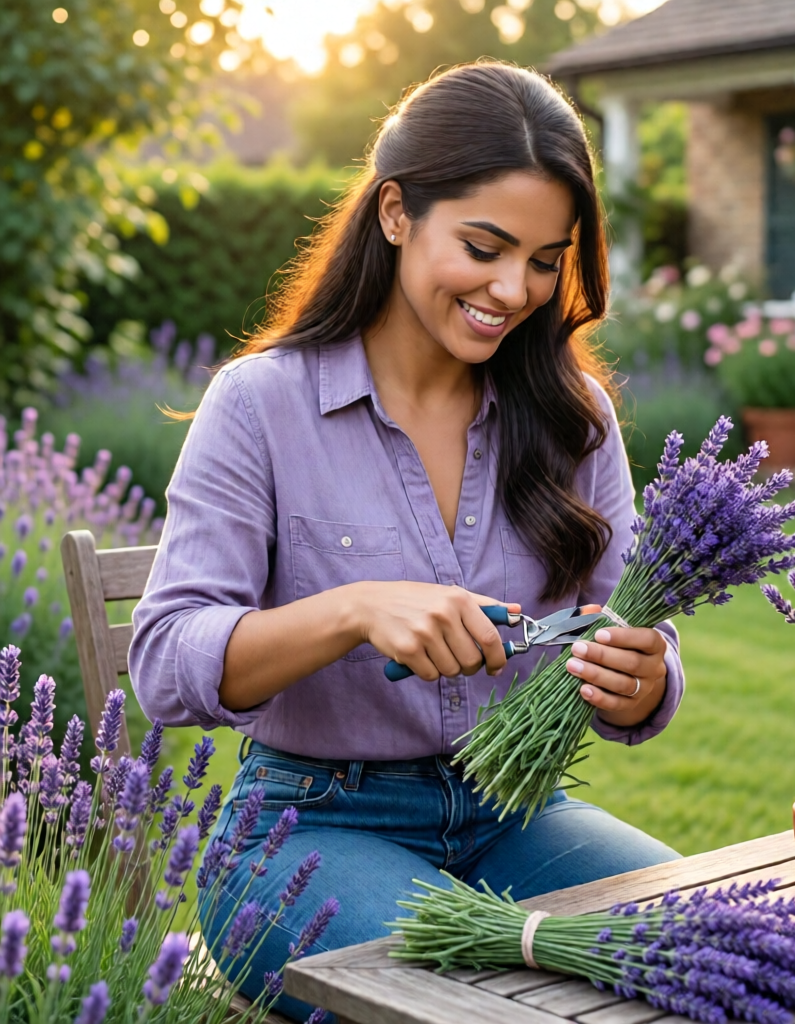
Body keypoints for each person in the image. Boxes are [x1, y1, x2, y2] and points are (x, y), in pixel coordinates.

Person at [129, 61, 684, 1022]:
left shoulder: (570, 415)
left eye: (547, 260)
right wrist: (352, 611)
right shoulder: (263, 406)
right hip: (306, 826)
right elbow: (164, 661)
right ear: (395, 213)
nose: (515, 289)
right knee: (471, 1013)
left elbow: (635, 627)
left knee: (719, 944)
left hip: (517, 812)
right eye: (485, 246)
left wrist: (644, 678)